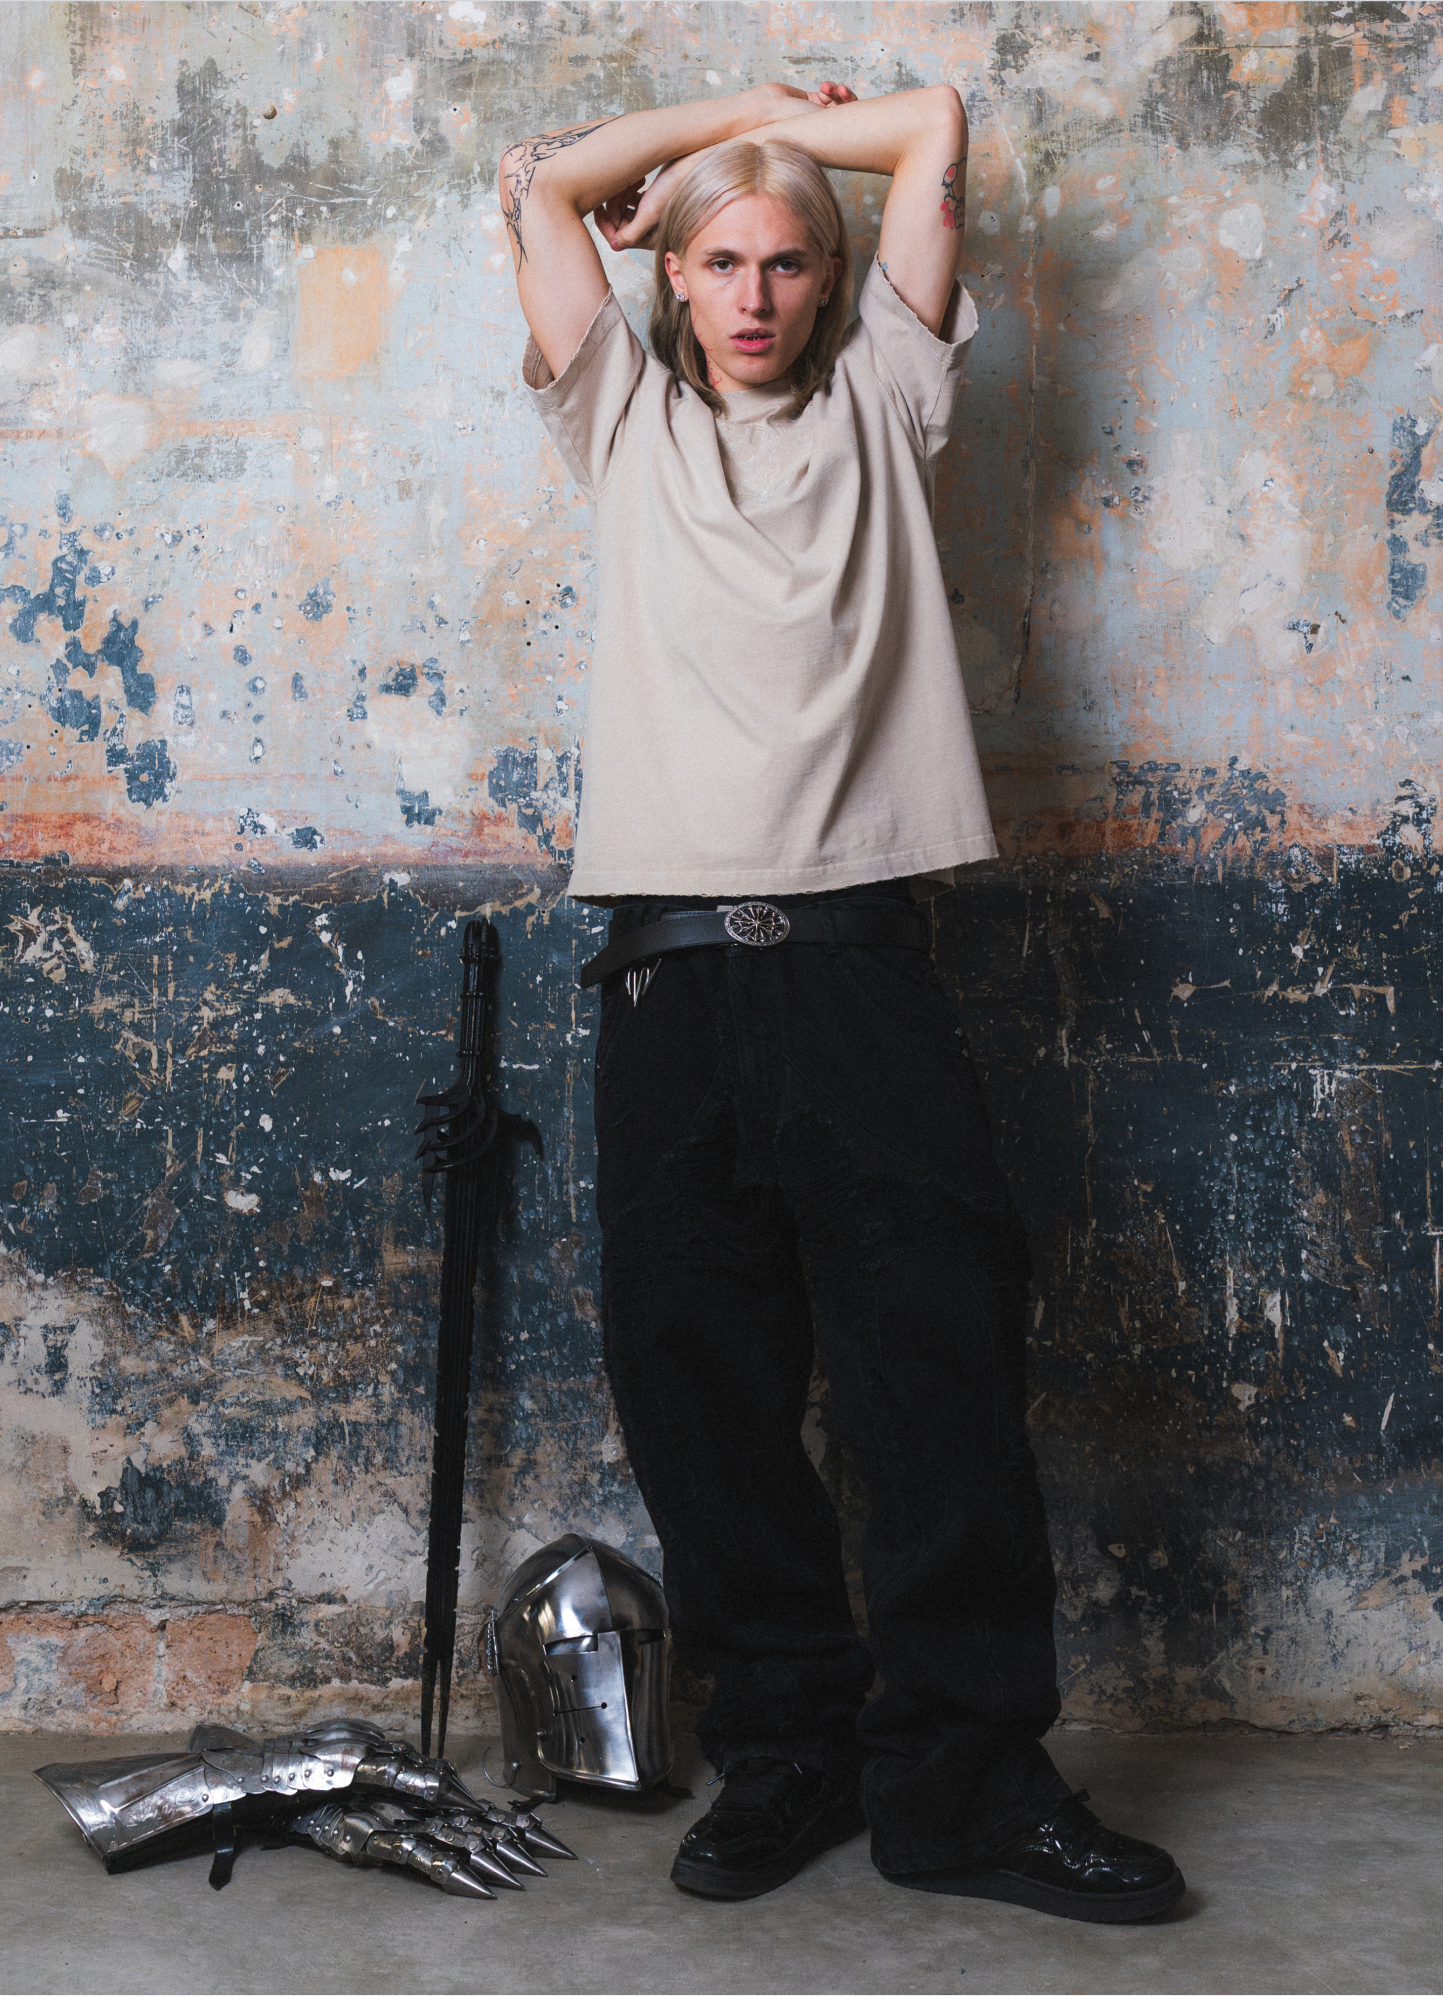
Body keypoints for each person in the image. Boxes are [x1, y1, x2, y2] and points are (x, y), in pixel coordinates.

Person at [497, 78, 1185, 1923]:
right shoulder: (623, 417)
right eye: (720, 260)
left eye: (789, 260)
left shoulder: (889, 394)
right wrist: (703, 146)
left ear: (833, 279)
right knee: (704, 1395)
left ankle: (966, 1786)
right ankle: (788, 1752)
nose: (753, 294)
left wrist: (780, 150)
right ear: (673, 273)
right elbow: (542, 192)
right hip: (672, 985)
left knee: (937, 1384)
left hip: (866, 970)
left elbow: (937, 127)